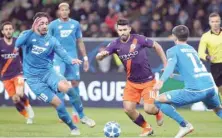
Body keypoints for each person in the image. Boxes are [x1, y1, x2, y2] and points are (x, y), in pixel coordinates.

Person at [15, 12, 83, 135]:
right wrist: (32, 29)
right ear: (35, 24)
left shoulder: (51, 39)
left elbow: (62, 53)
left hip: (49, 73)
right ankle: (73, 127)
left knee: (68, 88)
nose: (45, 26)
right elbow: (17, 44)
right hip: (34, 80)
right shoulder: (27, 35)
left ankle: (80, 115)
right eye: (42, 23)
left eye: (46, 23)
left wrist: (71, 60)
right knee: (58, 103)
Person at [96, 18, 167, 136]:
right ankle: (147, 128)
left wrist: (165, 64)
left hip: (148, 81)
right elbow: (101, 56)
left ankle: (158, 112)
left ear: (129, 29)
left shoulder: (139, 39)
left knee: (149, 109)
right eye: (120, 30)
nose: (122, 32)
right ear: (117, 30)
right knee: (128, 109)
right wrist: (100, 56)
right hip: (132, 83)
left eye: (124, 29)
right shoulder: (114, 44)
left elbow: (157, 46)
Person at [153, 25, 222, 138]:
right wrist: (173, 76)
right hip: (209, 87)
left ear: (174, 36)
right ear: (187, 37)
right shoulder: (192, 49)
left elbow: (170, 65)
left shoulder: (172, 50)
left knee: (158, 100)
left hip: (195, 90)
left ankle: (185, 125)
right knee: (218, 110)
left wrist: (161, 81)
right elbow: (191, 75)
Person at [48, 2, 95, 127]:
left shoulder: (75, 24)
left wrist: (85, 58)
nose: (64, 12)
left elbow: (79, 41)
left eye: (66, 10)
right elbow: (48, 42)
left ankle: (75, 113)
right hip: (58, 58)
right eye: (61, 10)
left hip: (72, 57)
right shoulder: (52, 25)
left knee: (74, 83)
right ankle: (61, 112)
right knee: (60, 84)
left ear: (69, 11)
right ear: (59, 11)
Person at [0, 21, 34, 124]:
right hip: (5, 75)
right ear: (2, 31)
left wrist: (26, 69)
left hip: (18, 73)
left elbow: (24, 56)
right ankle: (27, 116)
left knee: (20, 93)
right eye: (6, 29)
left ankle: (28, 105)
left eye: (10, 29)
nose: (8, 31)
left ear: (13, 30)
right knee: (15, 99)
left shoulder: (18, 41)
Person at [198, 12, 222, 99]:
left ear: (220, 22)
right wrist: (208, 57)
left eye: (217, 21)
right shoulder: (205, 37)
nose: (215, 24)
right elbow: (200, 52)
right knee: (220, 89)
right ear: (209, 23)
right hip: (215, 65)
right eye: (213, 22)